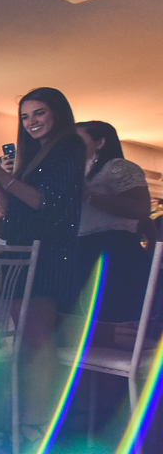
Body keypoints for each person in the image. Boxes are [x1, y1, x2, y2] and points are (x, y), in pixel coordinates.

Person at [0, 87, 85, 438]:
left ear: (57, 113)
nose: (31, 122)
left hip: (49, 255)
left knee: (38, 340)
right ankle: (23, 416)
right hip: (25, 253)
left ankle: (37, 423)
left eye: (39, 113)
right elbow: (17, 209)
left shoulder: (69, 146)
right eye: (25, 116)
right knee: (26, 341)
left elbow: (46, 203)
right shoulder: (35, 156)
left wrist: (0, 174)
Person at [75, 120, 152, 326]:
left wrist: (89, 196)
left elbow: (141, 209)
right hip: (80, 247)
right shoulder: (78, 171)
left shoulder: (117, 167)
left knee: (108, 314)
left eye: (78, 140)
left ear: (100, 142)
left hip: (113, 247)